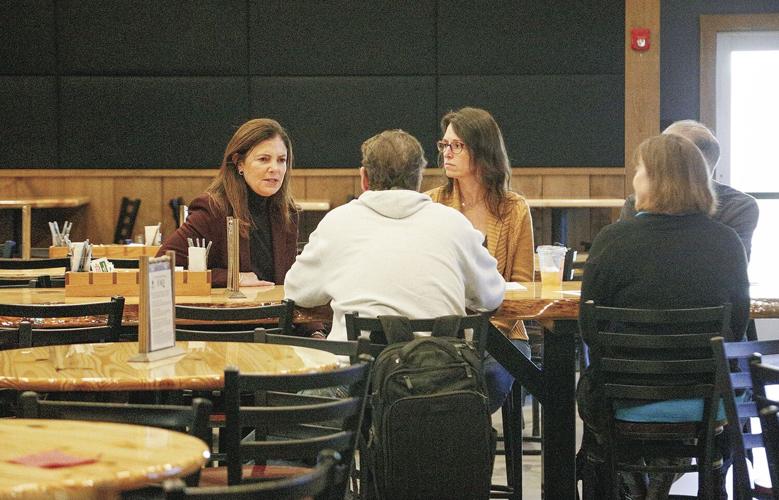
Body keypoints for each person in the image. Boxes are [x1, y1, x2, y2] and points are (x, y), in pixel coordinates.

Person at [578, 133, 750, 499]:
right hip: (705, 402)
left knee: (592, 395)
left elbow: (588, 328)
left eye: (640, 170)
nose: (635, 178)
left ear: (654, 179)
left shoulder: (612, 240)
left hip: (622, 402)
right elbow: (737, 326)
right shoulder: (726, 242)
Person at [284, 129, 505, 343]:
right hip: (443, 374)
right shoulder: (455, 225)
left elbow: (297, 291)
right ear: (419, 178)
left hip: (358, 375)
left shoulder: (336, 223)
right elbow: (492, 295)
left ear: (364, 178)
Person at [425, 107, 534, 413]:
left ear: (483, 152)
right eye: (444, 145)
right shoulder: (432, 203)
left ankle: (465, 445)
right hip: (444, 332)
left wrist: (485, 328)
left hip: (502, 331)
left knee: (489, 377)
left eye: (456, 146)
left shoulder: (514, 208)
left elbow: (523, 286)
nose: (447, 153)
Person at [158, 118, 298, 288]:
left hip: (277, 311)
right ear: (239, 163)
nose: (275, 168)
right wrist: (233, 278)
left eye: (281, 160)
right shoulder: (213, 209)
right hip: (228, 311)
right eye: (263, 159)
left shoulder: (287, 211)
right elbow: (161, 269)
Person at [620, 119, 759, 259]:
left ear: (696, 161)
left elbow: (730, 266)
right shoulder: (636, 202)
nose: (656, 159)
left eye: (667, 151)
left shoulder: (738, 206)